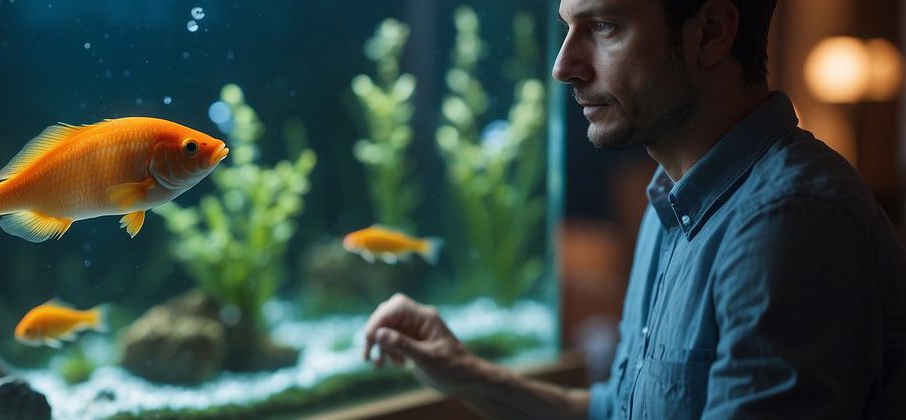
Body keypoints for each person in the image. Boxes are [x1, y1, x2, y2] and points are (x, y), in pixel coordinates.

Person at [362, 0, 906, 418]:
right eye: (569, 25)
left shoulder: (791, 223)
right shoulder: (673, 200)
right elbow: (620, 410)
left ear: (711, 32)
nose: (563, 66)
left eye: (604, 27)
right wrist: (468, 374)